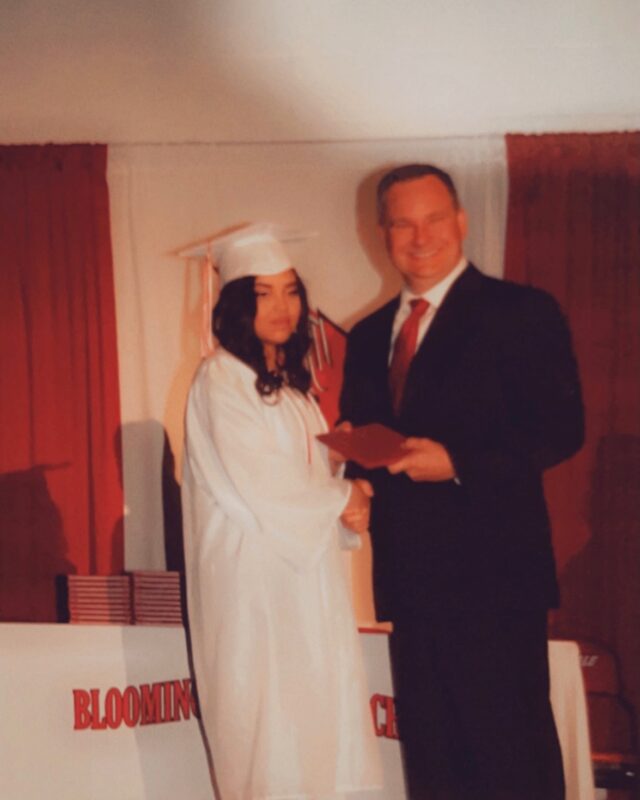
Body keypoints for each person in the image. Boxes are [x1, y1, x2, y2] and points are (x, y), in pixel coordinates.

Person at [340, 165, 584, 800]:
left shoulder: (522, 312)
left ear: (461, 223)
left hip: (496, 581)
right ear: (381, 234)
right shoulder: (367, 337)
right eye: (402, 223)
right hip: (410, 582)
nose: (420, 236)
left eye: (434, 219)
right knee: (433, 762)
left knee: (511, 757)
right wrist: (353, 473)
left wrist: (459, 461)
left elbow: (561, 428)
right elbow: (368, 440)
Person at [181, 224, 381, 800]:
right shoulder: (222, 377)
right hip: (255, 584)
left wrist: (341, 466)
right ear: (238, 305)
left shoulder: (294, 392)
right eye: (263, 292)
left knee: (317, 724)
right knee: (269, 731)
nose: (282, 306)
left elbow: (302, 481)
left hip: (303, 579)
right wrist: (345, 499)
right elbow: (262, 484)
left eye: (291, 291)